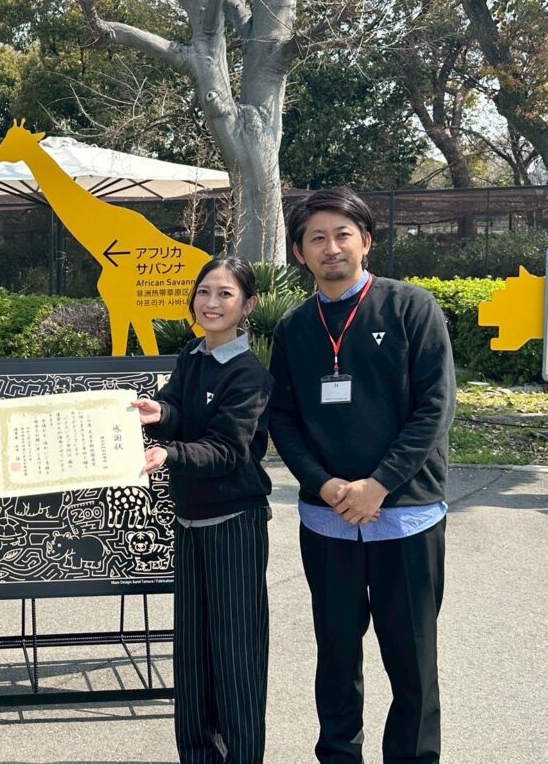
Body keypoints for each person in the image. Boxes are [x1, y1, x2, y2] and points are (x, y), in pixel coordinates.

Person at [268, 187, 455, 764]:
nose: (331, 247)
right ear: (299, 252)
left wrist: (379, 485)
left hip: (406, 515)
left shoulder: (410, 307)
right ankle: (338, 756)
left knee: (413, 662)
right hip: (327, 522)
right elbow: (283, 417)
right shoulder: (295, 327)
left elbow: (435, 406)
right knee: (336, 658)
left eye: (342, 234)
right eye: (317, 238)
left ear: (366, 241)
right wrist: (322, 484)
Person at [132, 257, 273, 764]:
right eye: (204, 292)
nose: (211, 303)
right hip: (190, 520)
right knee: (191, 652)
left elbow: (228, 449)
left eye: (225, 294)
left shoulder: (249, 374)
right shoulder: (192, 355)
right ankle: (196, 755)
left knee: (236, 655)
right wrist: (159, 413)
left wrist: (169, 453)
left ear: (247, 305)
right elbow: (178, 410)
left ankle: (241, 756)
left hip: (234, 523)